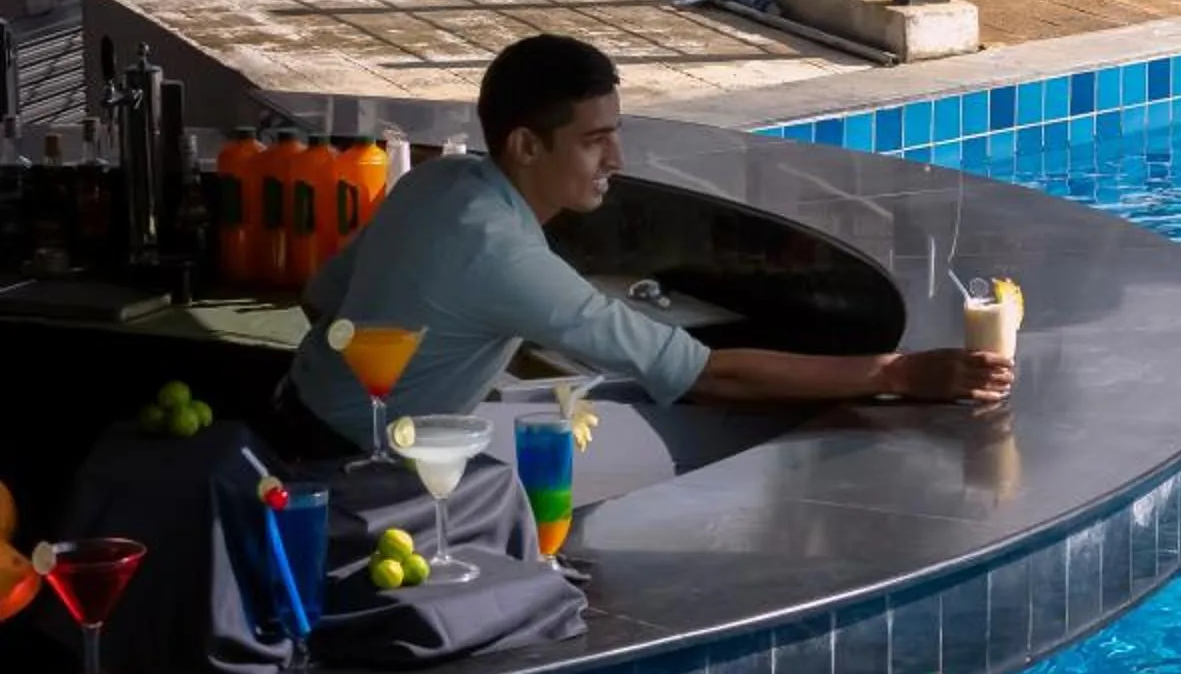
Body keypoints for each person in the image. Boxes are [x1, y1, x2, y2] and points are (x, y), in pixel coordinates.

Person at [278, 34, 1009, 454]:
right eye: (594, 141)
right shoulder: (507, 258)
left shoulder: (438, 184)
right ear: (526, 145)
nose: (617, 161)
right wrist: (902, 372)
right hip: (351, 464)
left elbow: (321, 301)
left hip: (286, 413)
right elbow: (707, 377)